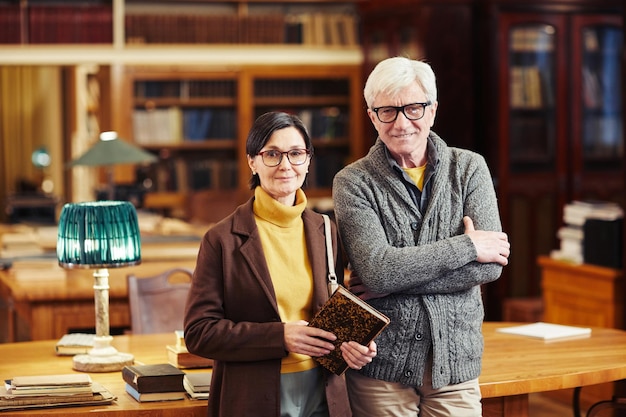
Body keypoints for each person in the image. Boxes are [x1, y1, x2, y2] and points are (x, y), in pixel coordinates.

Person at [332, 57, 511, 417]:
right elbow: (378, 271)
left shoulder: (469, 168)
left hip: (455, 366)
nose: (401, 123)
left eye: (413, 108)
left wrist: (394, 277)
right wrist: (468, 246)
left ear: (432, 111)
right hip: (380, 368)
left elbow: (489, 271)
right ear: (372, 116)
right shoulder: (352, 182)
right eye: (387, 111)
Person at [184, 111, 377, 417]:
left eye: (296, 154)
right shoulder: (221, 239)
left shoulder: (326, 230)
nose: (286, 165)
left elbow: (333, 313)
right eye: (272, 154)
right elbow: (199, 333)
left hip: (325, 392)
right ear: (252, 161)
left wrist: (354, 345)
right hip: (253, 395)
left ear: (309, 160)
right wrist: (281, 336)